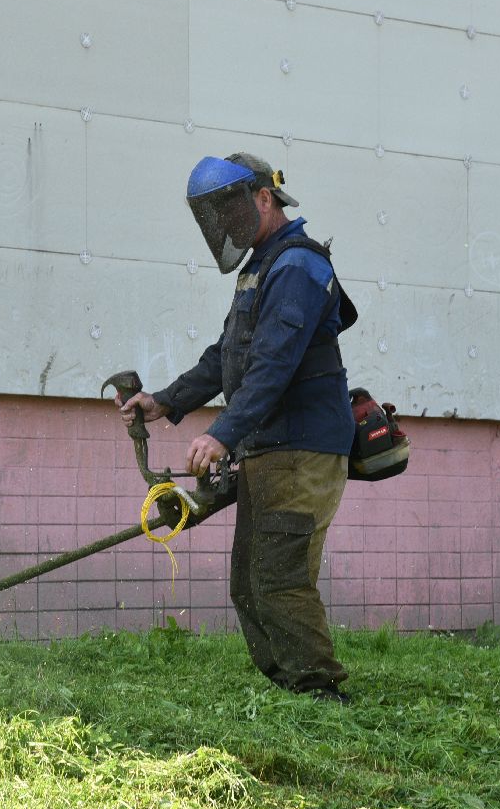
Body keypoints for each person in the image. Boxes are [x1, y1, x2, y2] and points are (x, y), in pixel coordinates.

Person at [117, 152, 358, 703]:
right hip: (270, 448)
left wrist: (222, 432)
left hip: (301, 451)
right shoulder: (262, 266)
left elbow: (274, 364)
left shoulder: (298, 264)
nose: (223, 224)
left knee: (278, 578)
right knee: (249, 583)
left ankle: (320, 692)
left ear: (264, 199)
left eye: (229, 209)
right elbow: (226, 355)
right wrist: (165, 401)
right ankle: (287, 686)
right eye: (214, 215)